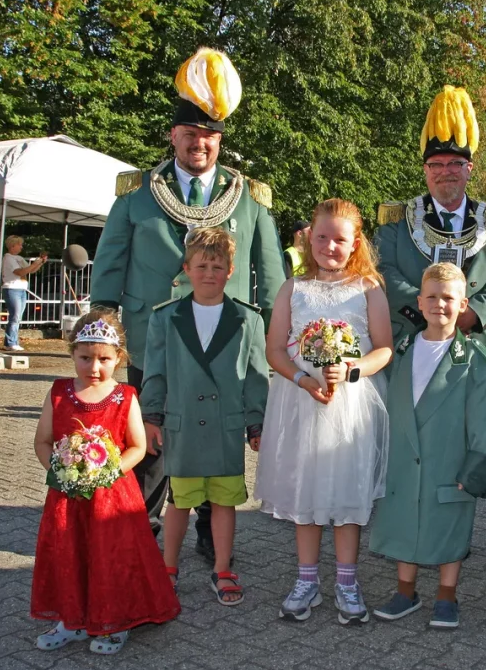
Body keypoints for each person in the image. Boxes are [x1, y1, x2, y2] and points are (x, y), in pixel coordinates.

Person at [90, 48, 285, 556]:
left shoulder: (249, 197)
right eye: (191, 133)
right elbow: (109, 264)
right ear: (173, 135)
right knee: (149, 436)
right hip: (149, 340)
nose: (200, 143)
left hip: (224, 344)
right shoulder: (137, 194)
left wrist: (273, 336)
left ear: (220, 140)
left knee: (215, 436)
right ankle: (141, 533)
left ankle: (209, 535)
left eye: (210, 135)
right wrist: (103, 330)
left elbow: (270, 273)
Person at [255, 199, 393, 625]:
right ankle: (307, 579)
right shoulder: (292, 288)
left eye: (339, 239)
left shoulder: (368, 288)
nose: (329, 246)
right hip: (301, 401)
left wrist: (352, 369)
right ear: (308, 238)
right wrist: (302, 379)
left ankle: (347, 582)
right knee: (306, 488)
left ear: (355, 243)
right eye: (322, 236)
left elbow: (384, 348)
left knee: (348, 489)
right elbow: (275, 349)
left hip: (350, 406)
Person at [30, 311, 179, 655]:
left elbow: (138, 447)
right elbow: (43, 441)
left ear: (119, 358)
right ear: (72, 353)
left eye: (104, 360)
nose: (94, 367)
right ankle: (72, 619)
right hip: (68, 496)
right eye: (85, 358)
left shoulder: (124, 396)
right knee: (70, 553)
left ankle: (116, 621)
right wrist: (61, 470)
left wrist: (107, 472)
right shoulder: (59, 393)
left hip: (112, 497)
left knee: (111, 557)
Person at [139, 228, 270, 606]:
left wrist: (256, 423)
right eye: (201, 266)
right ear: (186, 269)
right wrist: (151, 416)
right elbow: (155, 372)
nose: (209, 273)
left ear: (230, 271)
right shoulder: (166, 317)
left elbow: (257, 378)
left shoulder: (248, 319)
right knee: (179, 501)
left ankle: (223, 568)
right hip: (182, 426)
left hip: (226, 427)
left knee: (224, 502)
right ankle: (168, 567)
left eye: (217, 266)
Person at [369, 262, 486, 629]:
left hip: (450, 459)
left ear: (463, 305)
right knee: (403, 517)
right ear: (419, 301)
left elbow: (485, 421)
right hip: (404, 458)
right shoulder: (400, 351)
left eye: (448, 298)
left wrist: (474, 466)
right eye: (431, 296)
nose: (439, 304)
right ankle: (405, 592)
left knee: (449, 523)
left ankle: (447, 595)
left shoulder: (478, 362)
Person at [376, 85, 486, 351]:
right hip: (412, 339)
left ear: (469, 169)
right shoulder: (397, 220)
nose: (446, 172)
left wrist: (475, 312)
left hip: (480, 344)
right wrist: (432, 310)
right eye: (436, 164)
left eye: (455, 164)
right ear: (425, 170)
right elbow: (383, 270)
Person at [1, 235, 47, 351]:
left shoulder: (19, 258)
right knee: (15, 316)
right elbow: (20, 272)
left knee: (18, 317)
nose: (21, 247)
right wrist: (34, 264)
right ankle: (10, 342)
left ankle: (12, 341)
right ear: (12, 246)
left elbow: (31, 270)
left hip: (21, 289)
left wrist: (40, 263)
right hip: (12, 288)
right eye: (19, 245)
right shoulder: (8, 258)